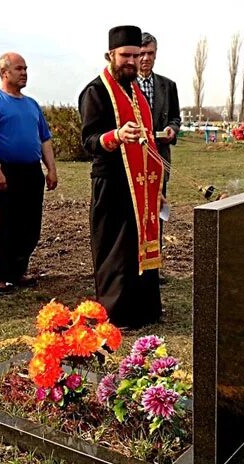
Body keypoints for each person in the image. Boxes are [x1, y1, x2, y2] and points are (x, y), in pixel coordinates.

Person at [78, 26, 164, 329]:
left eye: (136, 55)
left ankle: (144, 309)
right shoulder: (96, 91)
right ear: (110, 55)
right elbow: (88, 140)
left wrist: (157, 188)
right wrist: (116, 136)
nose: (132, 60)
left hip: (140, 185)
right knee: (115, 250)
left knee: (137, 246)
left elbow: (149, 142)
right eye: (125, 55)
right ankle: (117, 314)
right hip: (111, 182)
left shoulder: (136, 92)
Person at [0, 52, 57, 295]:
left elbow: (45, 139)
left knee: (32, 226)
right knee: (9, 225)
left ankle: (18, 271)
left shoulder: (31, 105)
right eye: (19, 69)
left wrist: (51, 168)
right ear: (4, 73)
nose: (24, 73)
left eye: (26, 68)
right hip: (7, 171)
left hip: (32, 171)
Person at [138, 32, 181, 284]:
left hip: (159, 158)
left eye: (150, 53)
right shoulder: (127, 85)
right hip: (135, 157)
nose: (145, 59)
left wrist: (172, 130)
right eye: (141, 53)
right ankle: (135, 261)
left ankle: (154, 264)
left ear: (156, 54)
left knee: (157, 208)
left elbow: (175, 117)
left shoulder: (168, 85)